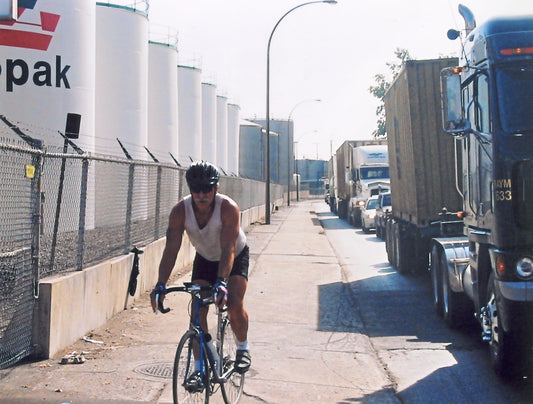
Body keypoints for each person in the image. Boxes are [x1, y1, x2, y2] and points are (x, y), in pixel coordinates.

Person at [150, 161, 251, 381]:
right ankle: (199, 368)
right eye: (196, 189)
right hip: (205, 258)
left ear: (216, 188)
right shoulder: (180, 211)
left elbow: (228, 249)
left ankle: (243, 347)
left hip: (233, 255)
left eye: (207, 189)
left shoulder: (228, 208)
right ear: (190, 189)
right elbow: (170, 250)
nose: (201, 194)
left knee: (233, 303)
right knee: (197, 314)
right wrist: (160, 284)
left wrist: (221, 281)